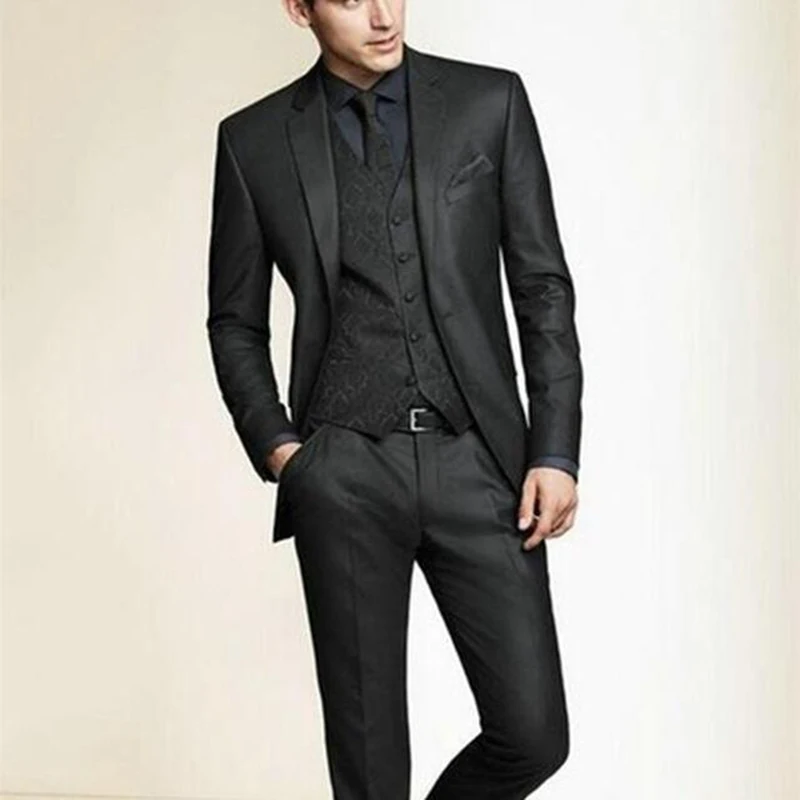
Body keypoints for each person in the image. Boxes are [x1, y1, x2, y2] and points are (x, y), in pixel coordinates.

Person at [206, 0, 583, 796]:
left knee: (533, 735)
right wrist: (283, 451)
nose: (382, 16)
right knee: (371, 772)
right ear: (300, 9)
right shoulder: (253, 141)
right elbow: (235, 322)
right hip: (343, 473)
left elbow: (542, 287)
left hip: (479, 462)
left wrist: (554, 449)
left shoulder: (490, 102)